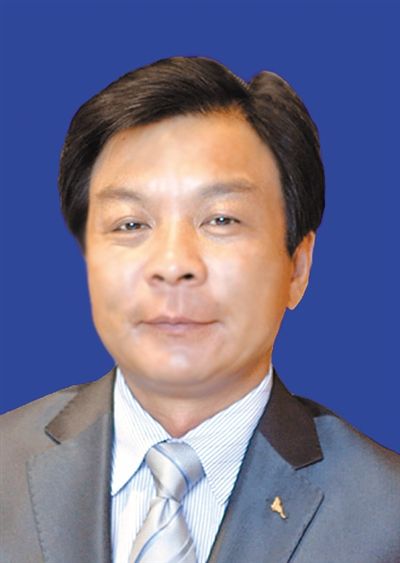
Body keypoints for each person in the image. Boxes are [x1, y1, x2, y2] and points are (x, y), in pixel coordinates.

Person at [1, 56, 399, 563]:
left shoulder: (386, 516)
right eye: (130, 224)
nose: (173, 265)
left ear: (297, 267)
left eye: (221, 219)